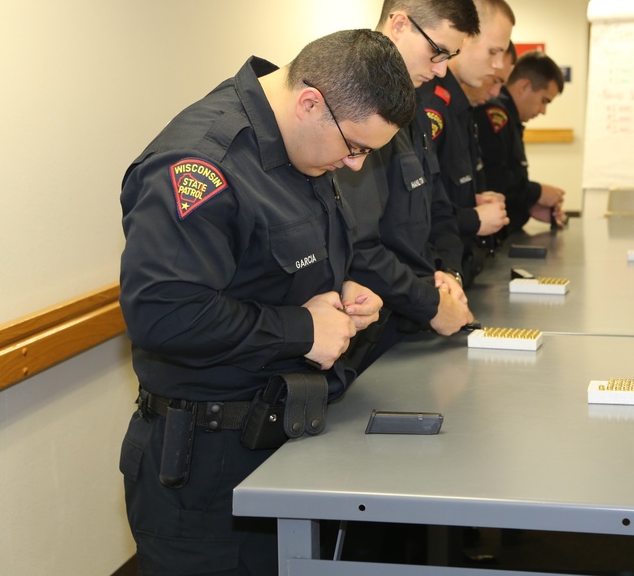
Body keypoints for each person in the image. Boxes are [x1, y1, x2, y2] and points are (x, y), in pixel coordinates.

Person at [118, 29, 415, 576]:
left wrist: (344, 295)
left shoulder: (303, 150)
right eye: (355, 148)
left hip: (284, 432)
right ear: (310, 103)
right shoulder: (202, 162)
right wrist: (302, 330)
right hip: (206, 471)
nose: (356, 166)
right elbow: (165, 314)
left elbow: (281, 267)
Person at [337, 0, 479, 366]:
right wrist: (432, 304)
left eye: (448, 57)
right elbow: (358, 248)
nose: (440, 69)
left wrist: (447, 274)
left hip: (416, 320)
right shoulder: (354, 109)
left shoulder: (412, 101)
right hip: (373, 336)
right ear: (399, 24)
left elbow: (435, 204)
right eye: (437, 52)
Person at [421, 0, 514, 285]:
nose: (498, 64)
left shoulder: (459, 104)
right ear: (466, 36)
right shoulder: (430, 103)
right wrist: (473, 218)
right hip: (432, 279)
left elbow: (441, 192)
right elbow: (416, 213)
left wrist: (471, 202)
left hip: (458, 271)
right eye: (493, 51)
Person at [475, 49, 567, 234]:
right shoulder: (494, 115)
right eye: (544, 100)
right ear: (524, 86)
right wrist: (537, 192)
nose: (543, 110)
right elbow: (495, 180)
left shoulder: (510, 119)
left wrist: (530, 205)